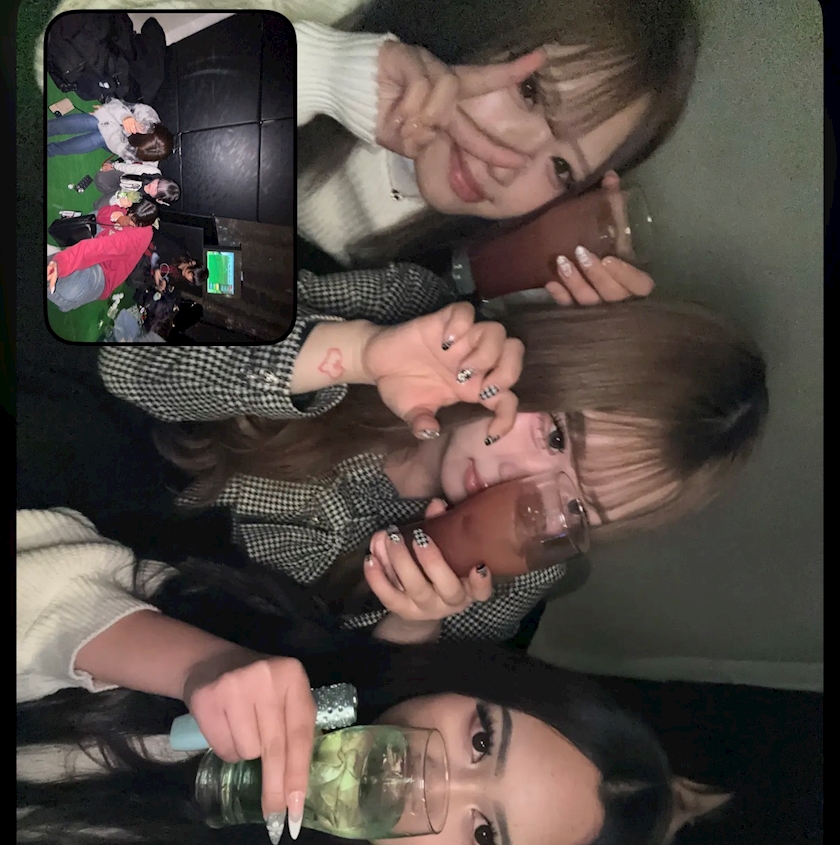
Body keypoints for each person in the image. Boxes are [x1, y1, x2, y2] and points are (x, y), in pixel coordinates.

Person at [17, 506, 726, 845]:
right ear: (475, 684)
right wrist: (195, 664)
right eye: (481, 741)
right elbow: (46, 570)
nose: (428, 782)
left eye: (484, 836)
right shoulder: (270, 627)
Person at [96, 261, 768, 644]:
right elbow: (130, 348)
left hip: (140, 623)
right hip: (106, 454)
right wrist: (358, 355)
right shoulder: (412, 309)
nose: (522, 487)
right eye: (557, 435)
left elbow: (343, 721)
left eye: (578, 504)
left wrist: (409, 627)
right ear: (551, 367)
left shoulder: (515, 576)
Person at [36, 0, 697, 291]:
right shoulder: (343, 0)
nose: (512, 164)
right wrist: (323, 73)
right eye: (531, 94)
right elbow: (63, 50)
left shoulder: (466, 252)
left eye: (562, 167)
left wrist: (539, 319)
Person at [47, 201, 158, 312]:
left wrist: (61, 263)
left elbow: (99, 248)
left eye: (132, 221)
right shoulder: (132, 210)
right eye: (129, 214)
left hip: (104, 272)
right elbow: (100, 215)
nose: (128, 220)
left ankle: (58, 258)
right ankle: (62, 262)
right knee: (95, 216)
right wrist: (117, 217)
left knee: (69, 290)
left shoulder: (137, 238)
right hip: (101, 239)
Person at [47, 99, 174, 163]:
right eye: (141, 128)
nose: (136, 130)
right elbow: (114, 102)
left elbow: (113, 140)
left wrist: (104, 113)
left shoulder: (141, 154)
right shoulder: (148, 114)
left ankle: (50, 150)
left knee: (99, 137)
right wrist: (125, 116)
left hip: (112, 142)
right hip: (114, 121)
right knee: (93, 121)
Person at [92, 164, 180, 210]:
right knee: (100, 178)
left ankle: (109, 193)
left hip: (122, 195)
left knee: (98, 207)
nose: (152, 185)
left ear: (158, 199)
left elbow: (122, 201)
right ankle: (108, 189)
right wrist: (114, 166)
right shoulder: (153, 172)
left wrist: (118, 201)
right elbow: (130, 168)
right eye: (158, 182)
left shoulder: (147, 204)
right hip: (122, 178)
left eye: (156, 190)